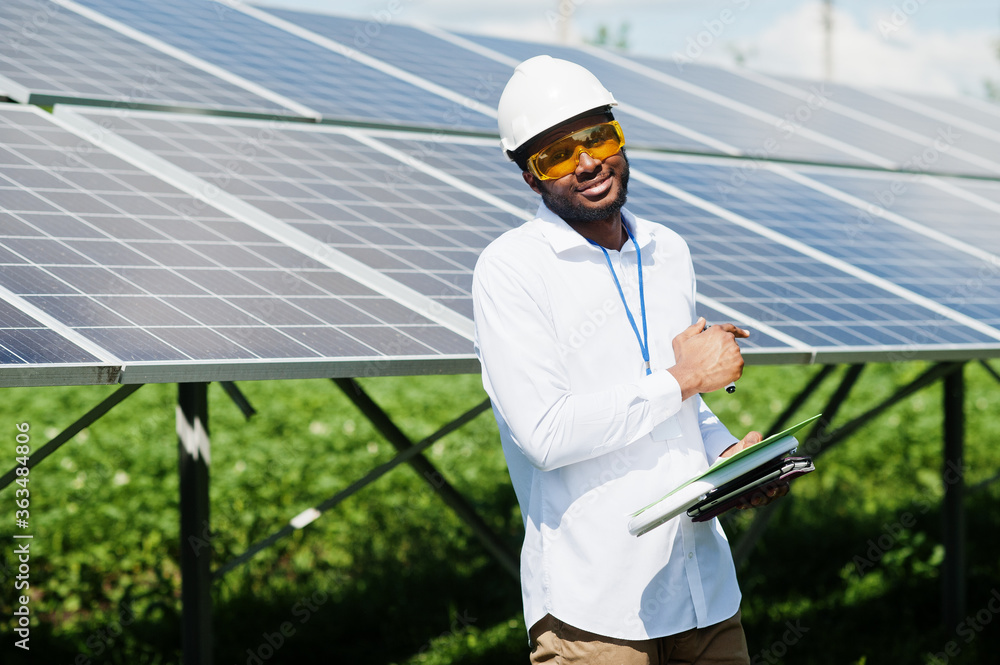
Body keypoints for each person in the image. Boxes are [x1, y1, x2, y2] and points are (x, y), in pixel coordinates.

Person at [472, 55, 785, 664]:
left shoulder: (668, 250)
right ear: (529, 176)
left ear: (618, 134)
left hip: (704, 591)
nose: (587, 161)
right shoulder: (512, 270)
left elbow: (678, 405)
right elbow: (547, 434)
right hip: (597, 609)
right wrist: (686, 375)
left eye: (597, 136)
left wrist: (727, 458)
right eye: (555, 155)